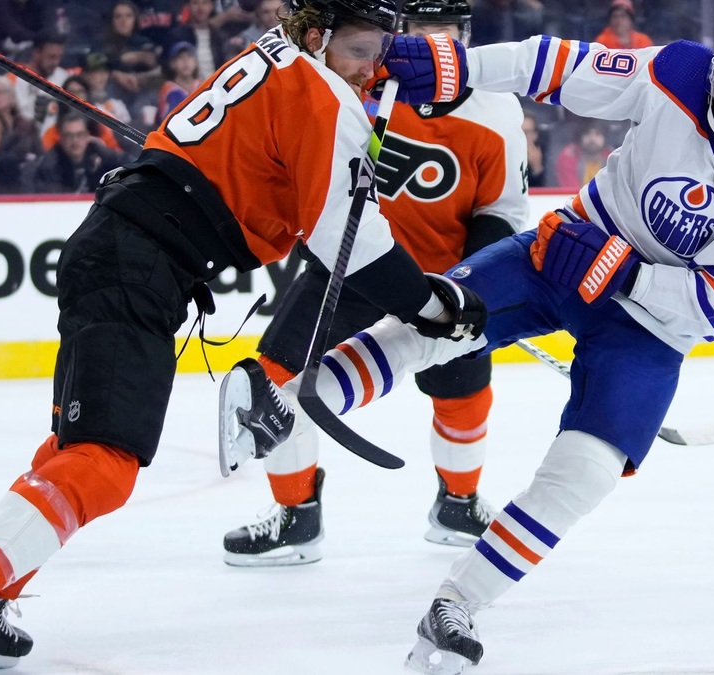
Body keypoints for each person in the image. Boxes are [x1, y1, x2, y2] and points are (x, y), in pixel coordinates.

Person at [0, 1, 477, 673]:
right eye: (358, 49)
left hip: (118, 247)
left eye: (380, 51)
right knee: (106, 463)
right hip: (138, 263)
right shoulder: (324, 97)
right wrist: (431, 305)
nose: (370, 67)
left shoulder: (275, 53)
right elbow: (351, 243)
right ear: (318, 36)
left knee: (72, 452)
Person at [219, 13, 714, 673]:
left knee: (586, 473)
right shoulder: (680, 72)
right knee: (437, 321)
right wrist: (460, 67)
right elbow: (558, 66)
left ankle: (457, 604)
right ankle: (282, 409)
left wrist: (625, 273)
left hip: (647, 325)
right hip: (566, 251)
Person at [221, 0, 528, 566]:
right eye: (421, 32)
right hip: (352, 265)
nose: (434, 46)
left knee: (462, 395)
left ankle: (458, 505)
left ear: (465, 36)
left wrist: (472, 282)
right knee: (274, 379)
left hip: (443, 280)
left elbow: (501, 211)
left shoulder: (497, 107)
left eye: (446, 33)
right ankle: (296, 516)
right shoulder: (363, 78)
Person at [29, 112, 123, 193]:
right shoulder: (50, 164)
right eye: (69, 135)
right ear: (61, 138)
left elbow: (125, 165)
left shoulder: (100, 153)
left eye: (80, 134)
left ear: (87, 136)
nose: (75, 140)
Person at [554, 118, 612, 190]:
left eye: (598, 134)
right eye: (587, 133)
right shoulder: (569, 157)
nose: (592, 139)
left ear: (605, 138)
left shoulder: (612, 158)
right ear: (580, 137)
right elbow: (571, 191)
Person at [156, 41, 201, 125]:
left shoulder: (204, 86)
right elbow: (165, 121)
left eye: (189, 57)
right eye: (180, 58)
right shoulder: (168, 90)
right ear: (173, 64)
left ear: (195, 62)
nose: (185, 61)